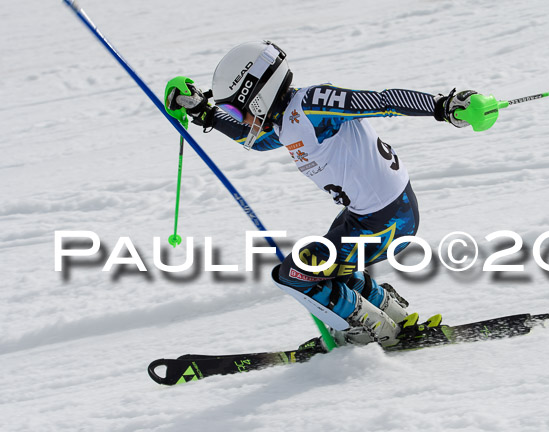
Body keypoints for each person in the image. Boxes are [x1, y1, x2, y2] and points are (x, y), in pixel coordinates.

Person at [165, 40, 478, 349]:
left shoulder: (312, 103)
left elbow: (380, 101)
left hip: (386, 220)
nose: (238, 116)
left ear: (256, 94)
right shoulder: (284, 121)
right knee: (324, 270)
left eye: (235, 107)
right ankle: (393, 314)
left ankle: (373, 329)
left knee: (293, 275)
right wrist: (203, 112)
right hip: (368, 218)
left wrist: (441, 106)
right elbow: (255, 140)